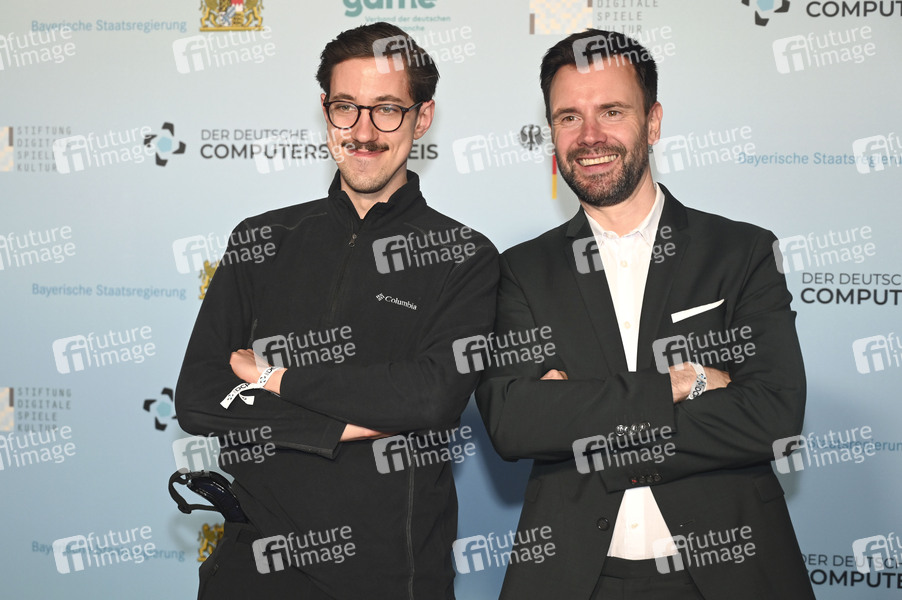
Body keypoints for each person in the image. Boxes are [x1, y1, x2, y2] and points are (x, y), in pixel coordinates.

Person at [475, 30, 814, 599]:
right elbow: (514, 423)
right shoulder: (521, 270)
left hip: (730, 574)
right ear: (551, 132)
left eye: (612, 111)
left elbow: (772, 416)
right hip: (573, 578)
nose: (590, 136)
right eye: (569, 117)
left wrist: (582, 419)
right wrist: (682, 383)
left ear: (653, 122)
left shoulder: (741, 252)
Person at [175, 22, 498, 600]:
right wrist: (348, 426)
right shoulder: (261, 238)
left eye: (387, 110)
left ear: (422, 117)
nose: (364, 131)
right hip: (252, 569)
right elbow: (199, 398)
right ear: (325, 111)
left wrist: (273, 378)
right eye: (346, 107)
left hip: (391, 576)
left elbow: (429, 400)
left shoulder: (464, 256)